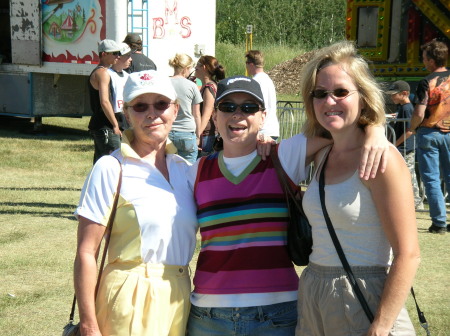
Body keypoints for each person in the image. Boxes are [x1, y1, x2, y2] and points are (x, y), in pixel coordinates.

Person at [186, 75, 391, 336]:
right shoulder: (196, 172)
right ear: (214, 117)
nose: (238, 115)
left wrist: (375, 130)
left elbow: (339, 129)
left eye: (248, 108)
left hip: (277, 313)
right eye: (228, 107)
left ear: (263, 117)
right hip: (208, 315)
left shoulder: (283, 156)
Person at [296, 41, 420, 336]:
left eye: (341, 92)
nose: (329, 101)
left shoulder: (381, 157)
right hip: (314, 291)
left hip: (362, 293)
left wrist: (381, 326)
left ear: (362, 98)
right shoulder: (321, 152)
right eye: (320, 93)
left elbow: (409, 253)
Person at [74, 70, 198, 336]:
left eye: (161, 104)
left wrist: (261, 144)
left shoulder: (186, 170)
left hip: (178, 297)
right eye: (141, 106)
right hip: (127, 297)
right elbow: (86, 252)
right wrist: (88, 324)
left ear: (175, 110)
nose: (152, 114)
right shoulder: (110, 167)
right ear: (127, 114)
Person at [409, 39, 450, 234]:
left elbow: (419, 112)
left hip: (429, 131)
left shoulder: (427, 82)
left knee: (432, 178)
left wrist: (412, 128)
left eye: (425, 58)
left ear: (432, 60)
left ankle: (439, 222)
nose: (423, 61)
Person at [385, 80, 423, 209]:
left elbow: (409, 131)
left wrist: (394, 144)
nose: (391, 97)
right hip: (403, 148)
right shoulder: (403, 108)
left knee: (409, 176)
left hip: (406, 148)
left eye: (394, 94)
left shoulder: (407, 108)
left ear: (404, 93)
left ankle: (417, 203)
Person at [88, 39, 122, 164]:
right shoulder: (102, 73)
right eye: (114, 53)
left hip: (100, 124)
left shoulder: (102, 72)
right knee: (114, 162)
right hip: (105, 125)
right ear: (104, 54)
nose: (118, 56)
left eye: (119, 53)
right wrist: (115, 125)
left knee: (100, 163)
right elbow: (105, 101)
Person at [169, 53, 203, 163]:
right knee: (189, 171)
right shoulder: (192, 86)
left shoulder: (165, 83)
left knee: (167, 168)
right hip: (187, 132)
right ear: (186, 68)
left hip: (168, 131)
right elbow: (196, 114)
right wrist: (198, 136)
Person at [194, 55, 225, 156]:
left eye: (197, 65)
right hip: (207, 134)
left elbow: (206, 115)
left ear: (204, 68)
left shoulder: (209, 88)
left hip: (207, 135)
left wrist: (198, 135)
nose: (195, 68)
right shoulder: (208, 86)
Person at [245, 50, 280, 140]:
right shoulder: (267, 79)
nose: (246, 66)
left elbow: (258, 106)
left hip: (262, 131)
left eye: (246, 63)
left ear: (251, 64)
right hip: (272, 128)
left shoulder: (256, 82)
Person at [108, 42, 132, 131]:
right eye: (127, 56)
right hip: (115, 118)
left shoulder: (128, 76)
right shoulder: (108, 74)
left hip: (126, 117)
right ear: (118, 57)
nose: (130, 59)